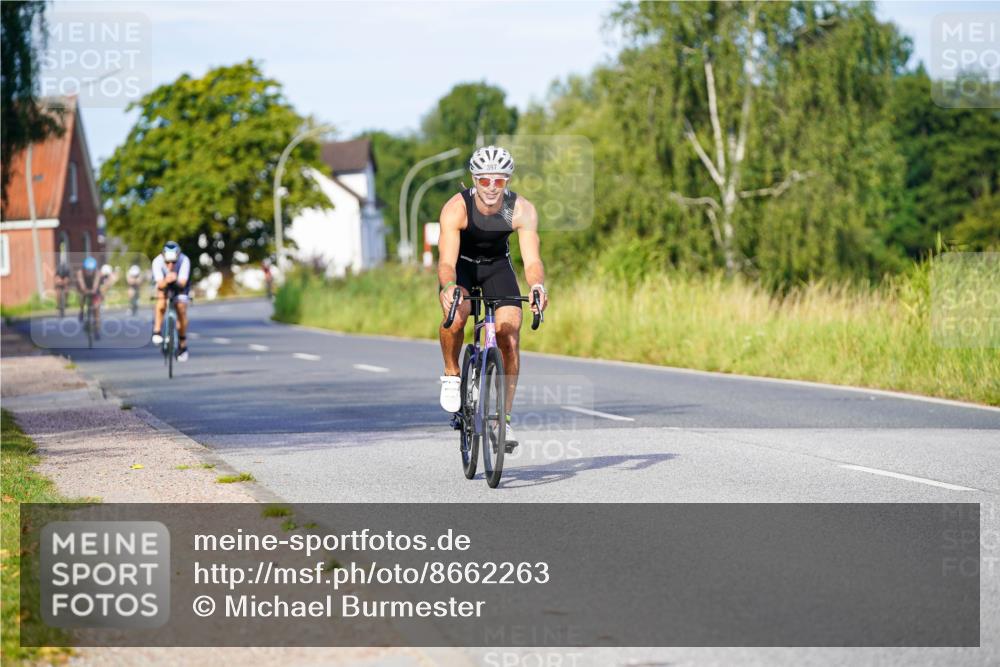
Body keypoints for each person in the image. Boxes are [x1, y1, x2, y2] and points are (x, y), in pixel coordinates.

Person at [437, 145, 548, 452]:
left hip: (497, 267)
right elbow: (446, 262)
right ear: (474, 180)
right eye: (484, 181)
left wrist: (538, 286)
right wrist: (449, 287)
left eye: (498, 181)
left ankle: (503, 419)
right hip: (462, 267)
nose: (490, 188)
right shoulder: (456, 208)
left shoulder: (521, 209)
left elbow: (532, 260)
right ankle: (451, 372)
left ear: (507, 182)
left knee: (509, 334)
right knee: (457, 316)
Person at [151, 241, 191, 362]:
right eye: (167, 262)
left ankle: (182, 343)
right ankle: (157, 331)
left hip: (180, 285)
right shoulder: (157, 262)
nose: (170, 265)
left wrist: (175, 279)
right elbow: (160, 283)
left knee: (181, 308)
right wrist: (168, 279)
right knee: (161, 300)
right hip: (164, 284)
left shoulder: (184, 260)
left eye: (173, 262)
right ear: (163, 257)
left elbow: (183, 283)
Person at [76, 256, 105, 338]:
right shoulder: (80, 272)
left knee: (96, 308)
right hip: (84, 289)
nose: (89, 271)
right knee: (81, 297)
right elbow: (82, 285)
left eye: (91, 269)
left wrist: (94, 291)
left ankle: (97, 329)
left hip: (94, 290)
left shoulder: (97, 273)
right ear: (84, 268)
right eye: (87, 269)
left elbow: (96, 285)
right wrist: (84, 290)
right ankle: (82, 310)